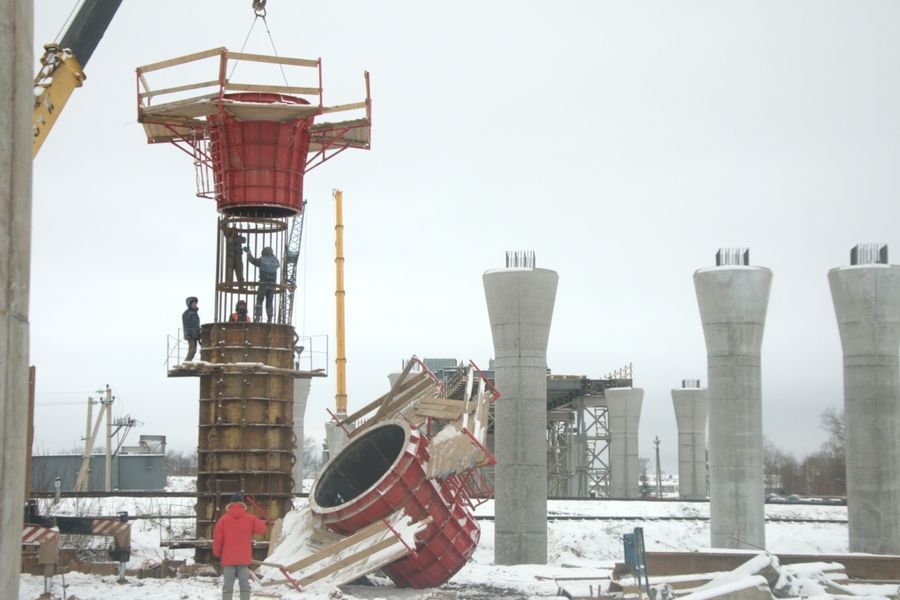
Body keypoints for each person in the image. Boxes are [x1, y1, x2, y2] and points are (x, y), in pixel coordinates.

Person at [212, 492, 267, 600]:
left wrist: (216, 553)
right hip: (243, 558)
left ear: (230, 505)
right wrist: (263, 522)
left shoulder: (223, 520)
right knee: (244, 584)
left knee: (228, 584)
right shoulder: (250, 518)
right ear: (243, 505)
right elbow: (262, 529)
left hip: (228, 558)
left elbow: (217, 539)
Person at [246, 246, 280, 322]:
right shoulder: (276, 261)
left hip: (263, 284)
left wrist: (248, 252)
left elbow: (252, 260)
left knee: (259, 300)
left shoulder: (262, 260)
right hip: (272, 285)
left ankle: (258, 317)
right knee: (269, 302)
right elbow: (278, 265)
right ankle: (269, 318)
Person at [181, 296, 201, 361]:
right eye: (193, 304)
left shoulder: (194, 313)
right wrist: (194, 333)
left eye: (195, 304)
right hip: (191, 335)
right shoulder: (187, 313)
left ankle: (187, 362)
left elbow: (196, 325)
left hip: (195, 334)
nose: (195, 305)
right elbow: (188, 325)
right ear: (190, 305)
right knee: (192, 350)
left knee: (193, 350)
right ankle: (186, 362)